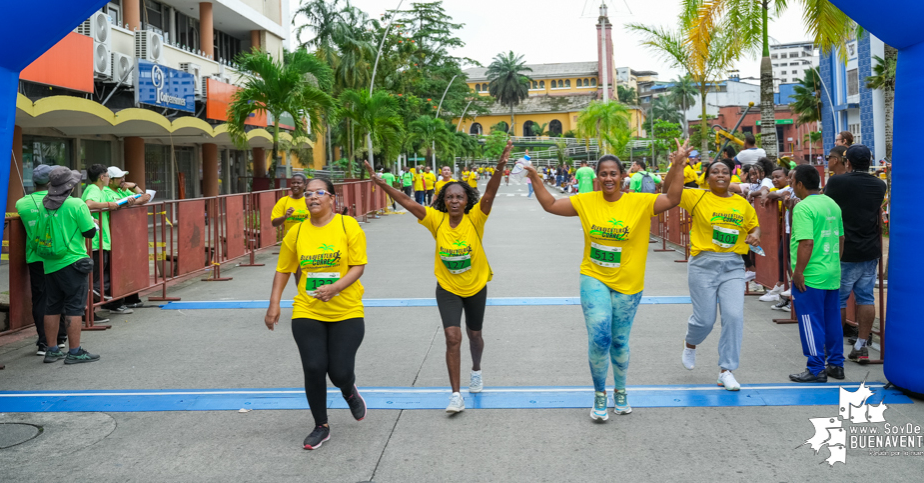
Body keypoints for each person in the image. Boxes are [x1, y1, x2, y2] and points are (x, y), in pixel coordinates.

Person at [527, 141, 690, 421]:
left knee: (619, 341)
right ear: (597, 176)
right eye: (603, 173)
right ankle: (600, 394)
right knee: (600, 336)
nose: (608, 178)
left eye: (613, 173)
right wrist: (534, 177)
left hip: (629, 282)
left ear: (623, 176)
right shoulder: (586, 201)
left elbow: (673, 199)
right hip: (594, 277)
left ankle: (622, 390)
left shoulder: (638, 202)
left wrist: (678, 166)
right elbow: (551, 204)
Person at [365, 140, 513, 415]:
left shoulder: (476, 218)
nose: (455, 200)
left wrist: (501, 165)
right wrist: (381, 183)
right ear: (443, 201)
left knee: (474, 334)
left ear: (467, 200)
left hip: (476, 285)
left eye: (460, 197)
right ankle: (456, 394)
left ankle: (476, 370)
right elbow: (407, 201)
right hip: (447, 287)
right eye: (450, 197)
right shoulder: (436, 220)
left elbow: (490, 193)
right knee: (452, 336)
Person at [265, 177, 368, 450]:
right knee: (313, 367)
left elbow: (358, 266)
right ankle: (320, 426)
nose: (313, 197)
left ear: (332, 198)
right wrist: (274, 304)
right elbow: (283, 269)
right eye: (309, 193)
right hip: (307, 308)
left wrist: (335, 288)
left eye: (319, 192)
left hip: (347, 309)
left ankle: (348, 390)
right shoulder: (296, 233)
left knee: (339, 371)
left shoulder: (348, 225)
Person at [679, 157, 761, 391]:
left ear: (731, 176)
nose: (721, 175)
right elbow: (670, 192)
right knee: (705, 320)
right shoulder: (697, 196)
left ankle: (727, 370)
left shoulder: (741, 203)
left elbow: (754, 225)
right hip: (703, 264)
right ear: (707, 178)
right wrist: (677, 165)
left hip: (733, 265)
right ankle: (690, 343)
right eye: (715, 172)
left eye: (725, 171)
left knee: (734, 317)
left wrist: (756, 234)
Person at [824, 144, 887, 363]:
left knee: (839, 300)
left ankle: (832, 347)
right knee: (866, 297)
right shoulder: (880, 185)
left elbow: (826, 206)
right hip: (869, 249)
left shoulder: (836, 182)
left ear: (847, 162)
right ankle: (861, 345)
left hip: (843, 249)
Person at [786, 164, 845, 382]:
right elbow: (841, 238)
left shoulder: (803, 208)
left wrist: (798, 272)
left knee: (810, 321)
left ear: (800, 184)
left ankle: (816, 367)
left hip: (810, 275)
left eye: (792, 182)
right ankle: (836, 365)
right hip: (831, 272)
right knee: (832, 320)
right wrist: (833, 263)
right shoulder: (832, 204)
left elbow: (806, 243)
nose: (792, 186)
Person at [40, 167, 102, 364]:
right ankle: (74, 351)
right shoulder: (76, 204)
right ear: (70, 186)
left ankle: (52, 350)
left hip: (50, 262)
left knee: (52, 306)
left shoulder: (43, 204)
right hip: (73, 261)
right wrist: (94, 223)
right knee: (75, 307)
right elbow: (89, 233)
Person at [15, 164, 67, 354]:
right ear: (51, 181)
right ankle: (60, 338)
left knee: (41, 298)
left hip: (36, 256)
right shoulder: (62, 200)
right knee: (59, 295)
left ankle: (44, 342)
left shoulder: (21, 203)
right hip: (60, 255)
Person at [82, 164, 127, 316]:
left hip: (102, 241)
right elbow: (89, 204)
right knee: (94, 280)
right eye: (108, 176)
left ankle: (94, 308)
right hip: (95, 242)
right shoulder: (93, 189)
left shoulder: (100, 190)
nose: (108, 179)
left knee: (98, 278)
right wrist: (109, 205)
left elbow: (116, 201)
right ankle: (88, 313)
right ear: (102, 177)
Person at [107, 166, 152, 308]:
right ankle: (115, 302)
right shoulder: (107, 192)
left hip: (126, 234)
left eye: (123, 177)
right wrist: (135, 201)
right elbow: (120, 205)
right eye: (120, 178)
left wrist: (135, 186)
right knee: (116, 269)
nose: (123, 180)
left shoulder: (122, 189)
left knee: (128, 267)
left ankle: (130, 298)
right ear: (110, 180)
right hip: (114, 234)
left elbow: (145, 197)